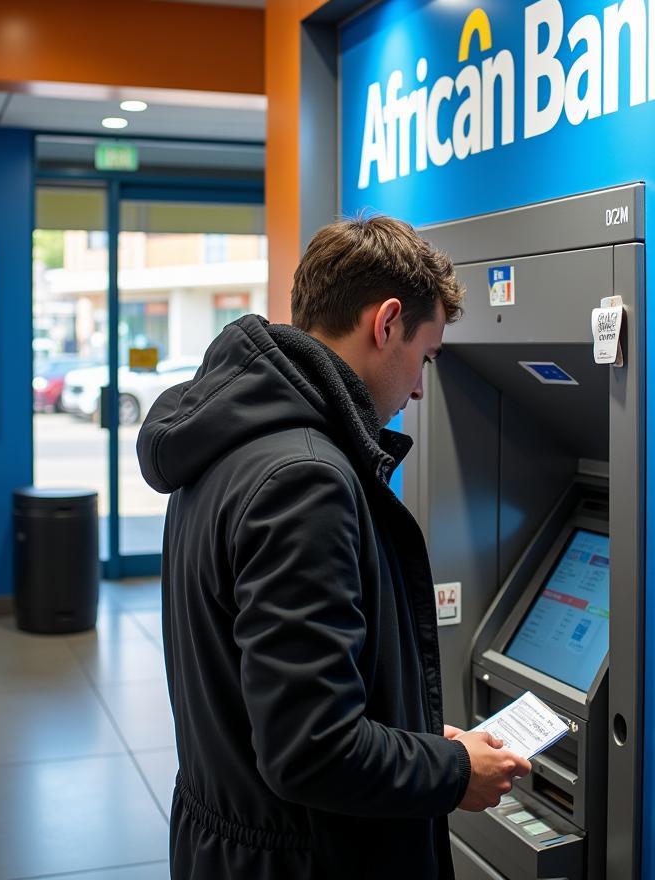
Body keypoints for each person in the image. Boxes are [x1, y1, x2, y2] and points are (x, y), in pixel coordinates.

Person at [137, 215, 531, 880]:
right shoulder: (305, 479)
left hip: (234, 842)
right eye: (425, 357)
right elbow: (311, 749)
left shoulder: (223, 440)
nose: (416, 388)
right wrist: (453, 770)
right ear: (386, 323)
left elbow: (282, 702)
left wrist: (413, 741)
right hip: (308, 861)